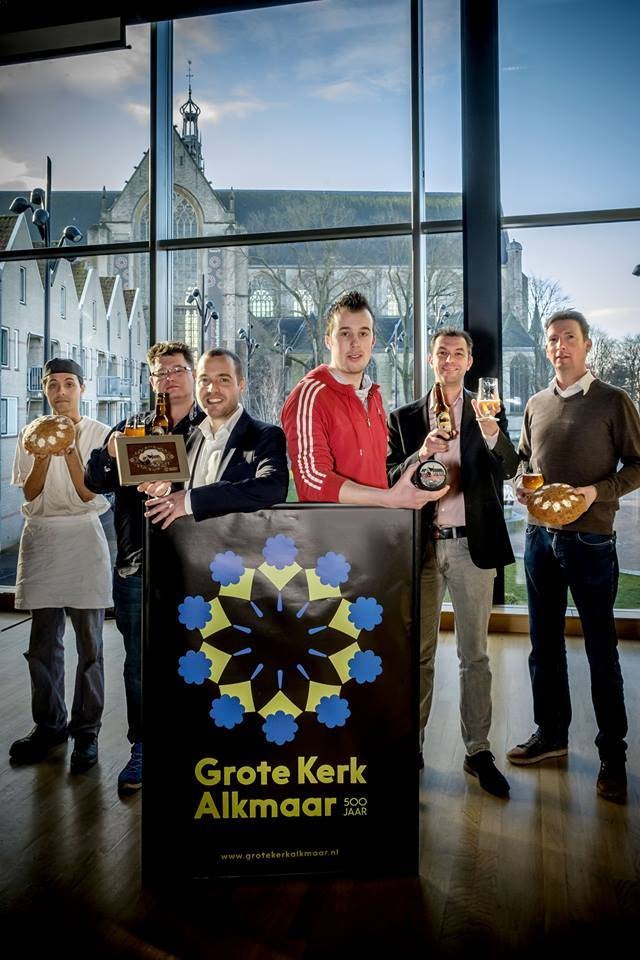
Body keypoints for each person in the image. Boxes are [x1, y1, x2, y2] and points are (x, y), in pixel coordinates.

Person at [507, 309, 640, 803]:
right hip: (539, 540)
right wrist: (520, 484)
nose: (560, 346)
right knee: (543, 645)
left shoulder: (613, 401)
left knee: (601, 650)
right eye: (553, 339)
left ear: (586, 345)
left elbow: (638, 465)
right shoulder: (536, 403)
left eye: (569, 338)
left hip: (591, 543)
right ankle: (551, 734)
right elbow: (526, 460)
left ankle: (613, 756)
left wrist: (595, 493)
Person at [387, 328, 518, 796]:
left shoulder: (488, 412)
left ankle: (478, 750)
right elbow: (387, 476)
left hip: (471, 547)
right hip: (421, 548)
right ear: (431, 360)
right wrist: (422, 453)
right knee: (418, 655)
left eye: (457, 353)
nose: (449, 360)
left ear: (469, 362)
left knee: (474, 655)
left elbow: (510, 467)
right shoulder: (404, 418)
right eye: (441, 353)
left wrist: (491, 432)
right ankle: (412, 746)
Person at [85, 340, 204, 793]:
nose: (168, 379)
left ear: (192, 374)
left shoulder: (211, 428)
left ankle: (197, 742)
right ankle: (144, 747)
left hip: (196, 564)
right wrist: (109, 453)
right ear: (151, 380)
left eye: (177, 370)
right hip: (137, 565)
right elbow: (94, 481)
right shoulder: (131, 428)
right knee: (139, 662)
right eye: (160, 373)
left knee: (201, 655)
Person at [9, 358, 113, 774]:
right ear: (45, 390)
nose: (61, 392)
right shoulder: (30, 433)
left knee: (90, 646)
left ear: (82, 389)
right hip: (42, 538)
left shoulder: (100, 434)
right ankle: (49, 725)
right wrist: (41, 454)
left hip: (83, 536)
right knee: (42, 645)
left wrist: (68, 451)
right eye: (53, 384)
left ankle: (86, 732)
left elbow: (89, 494)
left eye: (69, 383)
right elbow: (30, 492)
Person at [281, 290, 447, 510]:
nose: (355, 343)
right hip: (333, 530)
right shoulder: (309, 395)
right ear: (328, 340)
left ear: (373, 340)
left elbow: (378, 473)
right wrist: (388, 498)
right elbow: (312, 480)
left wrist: (415, 467)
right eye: (345, 333)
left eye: (363, 333)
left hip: (377, 526)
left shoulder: (373, 396)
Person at [140, 347, 289, 527]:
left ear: (241, 384)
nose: (212, 389)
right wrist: (165, 492)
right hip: (191, 543)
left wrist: (190, 500)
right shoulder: (188, 438)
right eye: (204, 380)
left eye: (223, 379)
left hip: (239, 544)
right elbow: (180, 496)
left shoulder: (265, 435)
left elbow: (273, 487)